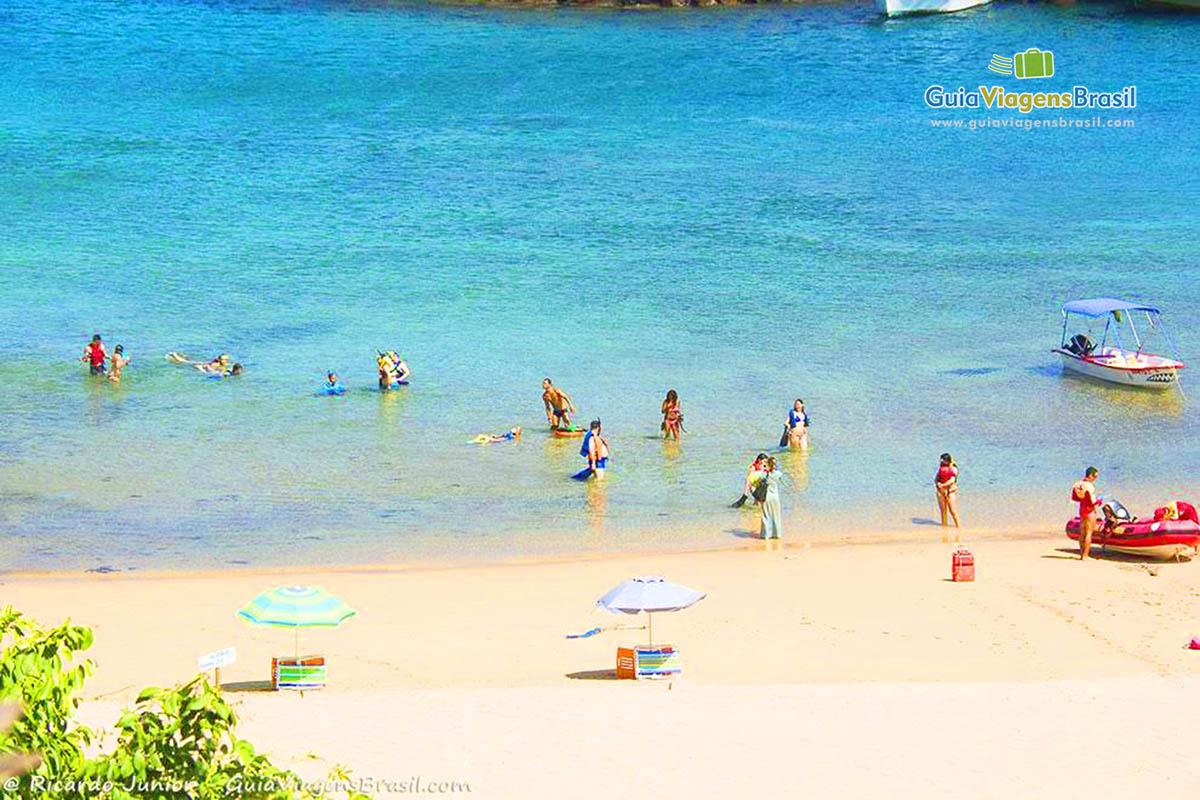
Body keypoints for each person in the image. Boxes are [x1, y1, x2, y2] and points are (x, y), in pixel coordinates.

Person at [1072, 467, 1101, 560]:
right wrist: (1099, 501)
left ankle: (1081, 554)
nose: (1095, 479)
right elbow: (1092, 501)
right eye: (1095, 476)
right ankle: (1085, 556)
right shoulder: (1090, 486)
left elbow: (1075, 498)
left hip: (1082, 509)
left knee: (1082, 532)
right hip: (1089, 510)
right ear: (1090, 475)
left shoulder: (1077, 484)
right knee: (1089, 533)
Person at [757, 456, 783, 539]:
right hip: (775, 497)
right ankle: (777, 534)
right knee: (776, 515)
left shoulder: (764, 475)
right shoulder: (778, 474)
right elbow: (779, 476)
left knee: (766, 515)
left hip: (766, 497)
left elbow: (759, 479)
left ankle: (766, 535)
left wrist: (763, 468)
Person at [935, 453, 960, 528]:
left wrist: (943, 485)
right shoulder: (941, 469)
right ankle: (944, 527)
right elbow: (936, 479)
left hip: (950, 491)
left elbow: (952, 481)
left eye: (943, 460)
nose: (941, 462)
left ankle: (958, 527)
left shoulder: (953, 469)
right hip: (940, 491)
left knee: (952, 511)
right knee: (943, 511)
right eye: (941, 460)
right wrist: (938, 484)